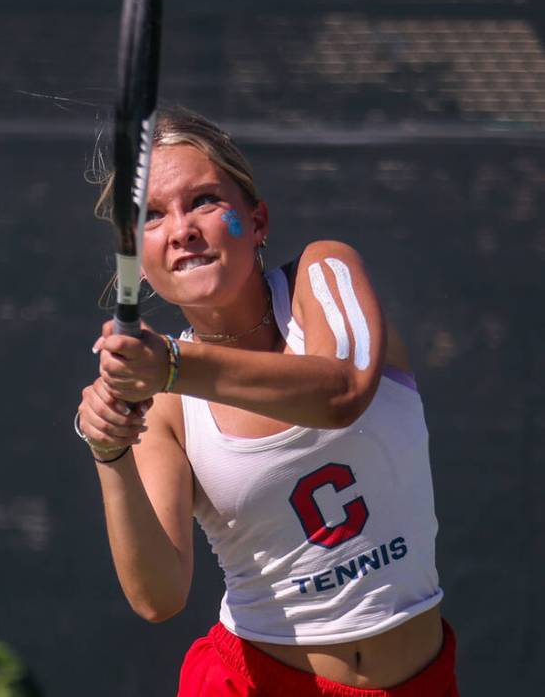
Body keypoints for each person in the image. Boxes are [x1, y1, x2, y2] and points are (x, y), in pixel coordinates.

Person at [75, 107, 458, 696]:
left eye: (203, 200)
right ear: (141, 266)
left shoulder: (323, 273)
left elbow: (342, 392)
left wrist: (173, 367)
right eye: (151, 217)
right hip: (250, 682)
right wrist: (109, 452)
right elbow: (159, 597)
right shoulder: (166, 404)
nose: (181, 229)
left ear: (257, 222)